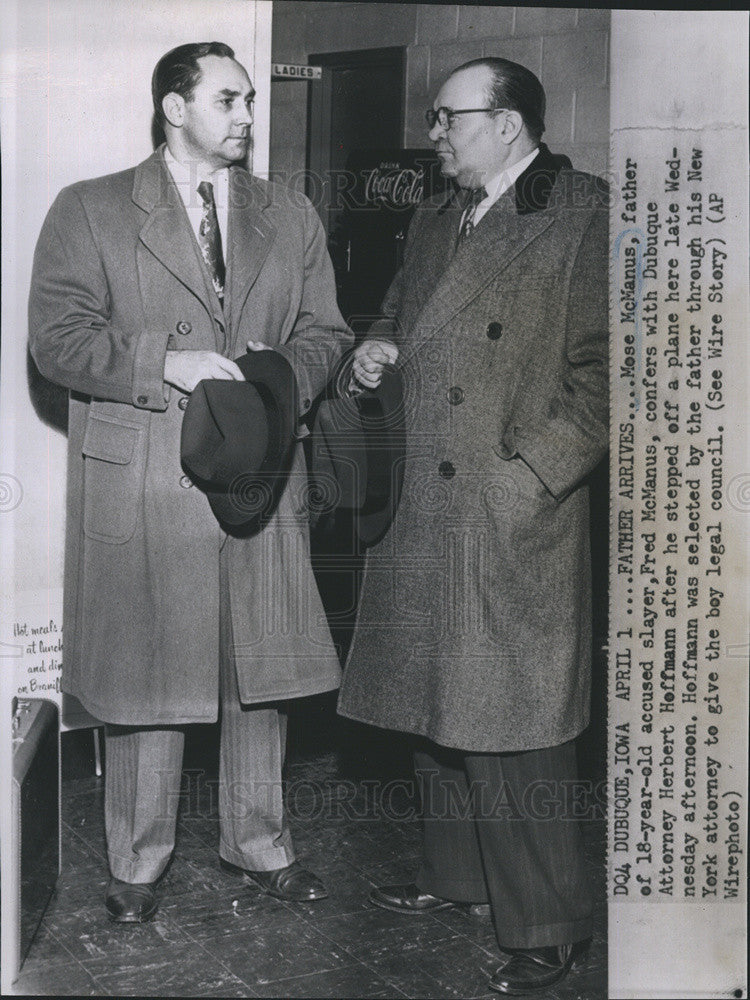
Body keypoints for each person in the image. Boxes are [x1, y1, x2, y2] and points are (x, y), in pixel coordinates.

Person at [29, 41, 354, 923]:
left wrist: (275, 374)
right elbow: (56, 341)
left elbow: (330, 330)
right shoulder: (90, 209)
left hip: (258, 472)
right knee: (148, 677)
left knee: (260, 669)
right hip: (144, 481)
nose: (249, 115)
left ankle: (260, 843)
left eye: (249, 99)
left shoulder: (290, 214)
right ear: (175, 109)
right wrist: (165, 363)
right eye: (229, 100)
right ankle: (137, 864)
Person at [338, 57, 608, 995]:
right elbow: (406, 314)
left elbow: (615, 372)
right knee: (434, 707)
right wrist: (378, 346)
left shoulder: (582, 214)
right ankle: (459, 881)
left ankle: (547, 923)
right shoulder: (435, 216)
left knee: (516, 720)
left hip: (507, 507)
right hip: (426, 499)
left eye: (450, 119)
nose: (436, 136)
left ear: (509, 122)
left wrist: (531, 475)